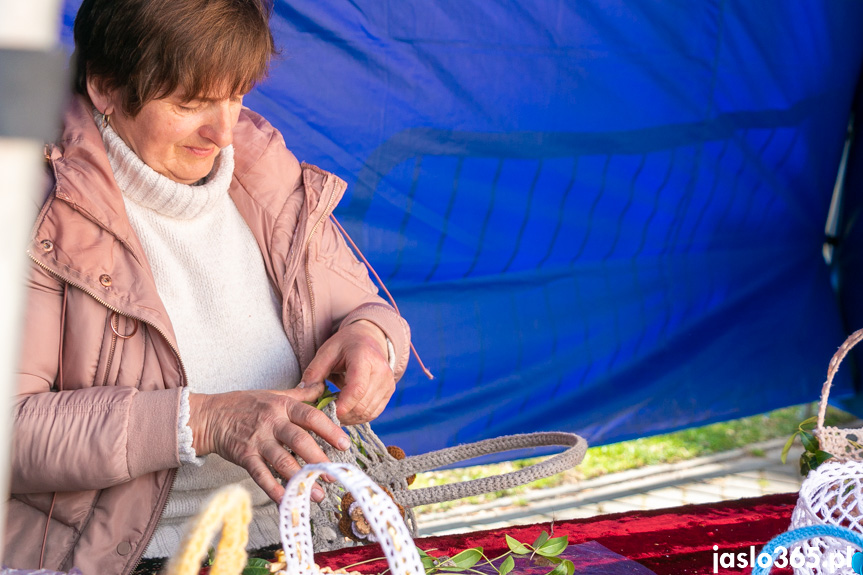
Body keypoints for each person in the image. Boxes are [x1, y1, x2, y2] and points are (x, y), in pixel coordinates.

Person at [5, 0, 414, 573]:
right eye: (190, 102)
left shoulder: (264, 170)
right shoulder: (29, 205)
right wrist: (203, 421)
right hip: (123, 558)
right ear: (104, 87)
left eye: (235, 94)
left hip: (302, 540)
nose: (222, 130)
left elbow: (363, 307)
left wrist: (373, 339)